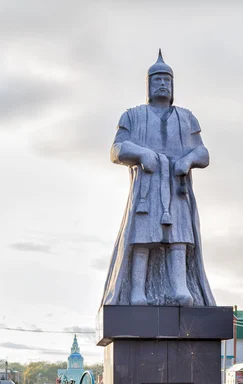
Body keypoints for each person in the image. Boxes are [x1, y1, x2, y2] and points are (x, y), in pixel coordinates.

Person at [101, 50, 215, 307]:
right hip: (148, 187)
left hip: (177, 187)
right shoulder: (133, 116)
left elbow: (203, 153)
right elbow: (116, 150)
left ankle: (180, 288)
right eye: (157, 80)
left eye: (167, 80)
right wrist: (141, 153)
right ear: (149, 85)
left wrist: (187, 160)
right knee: (143, 236)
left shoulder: (186, 118)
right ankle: (136, 292)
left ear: (172, 86)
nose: (162, 84)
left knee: (180, 235)